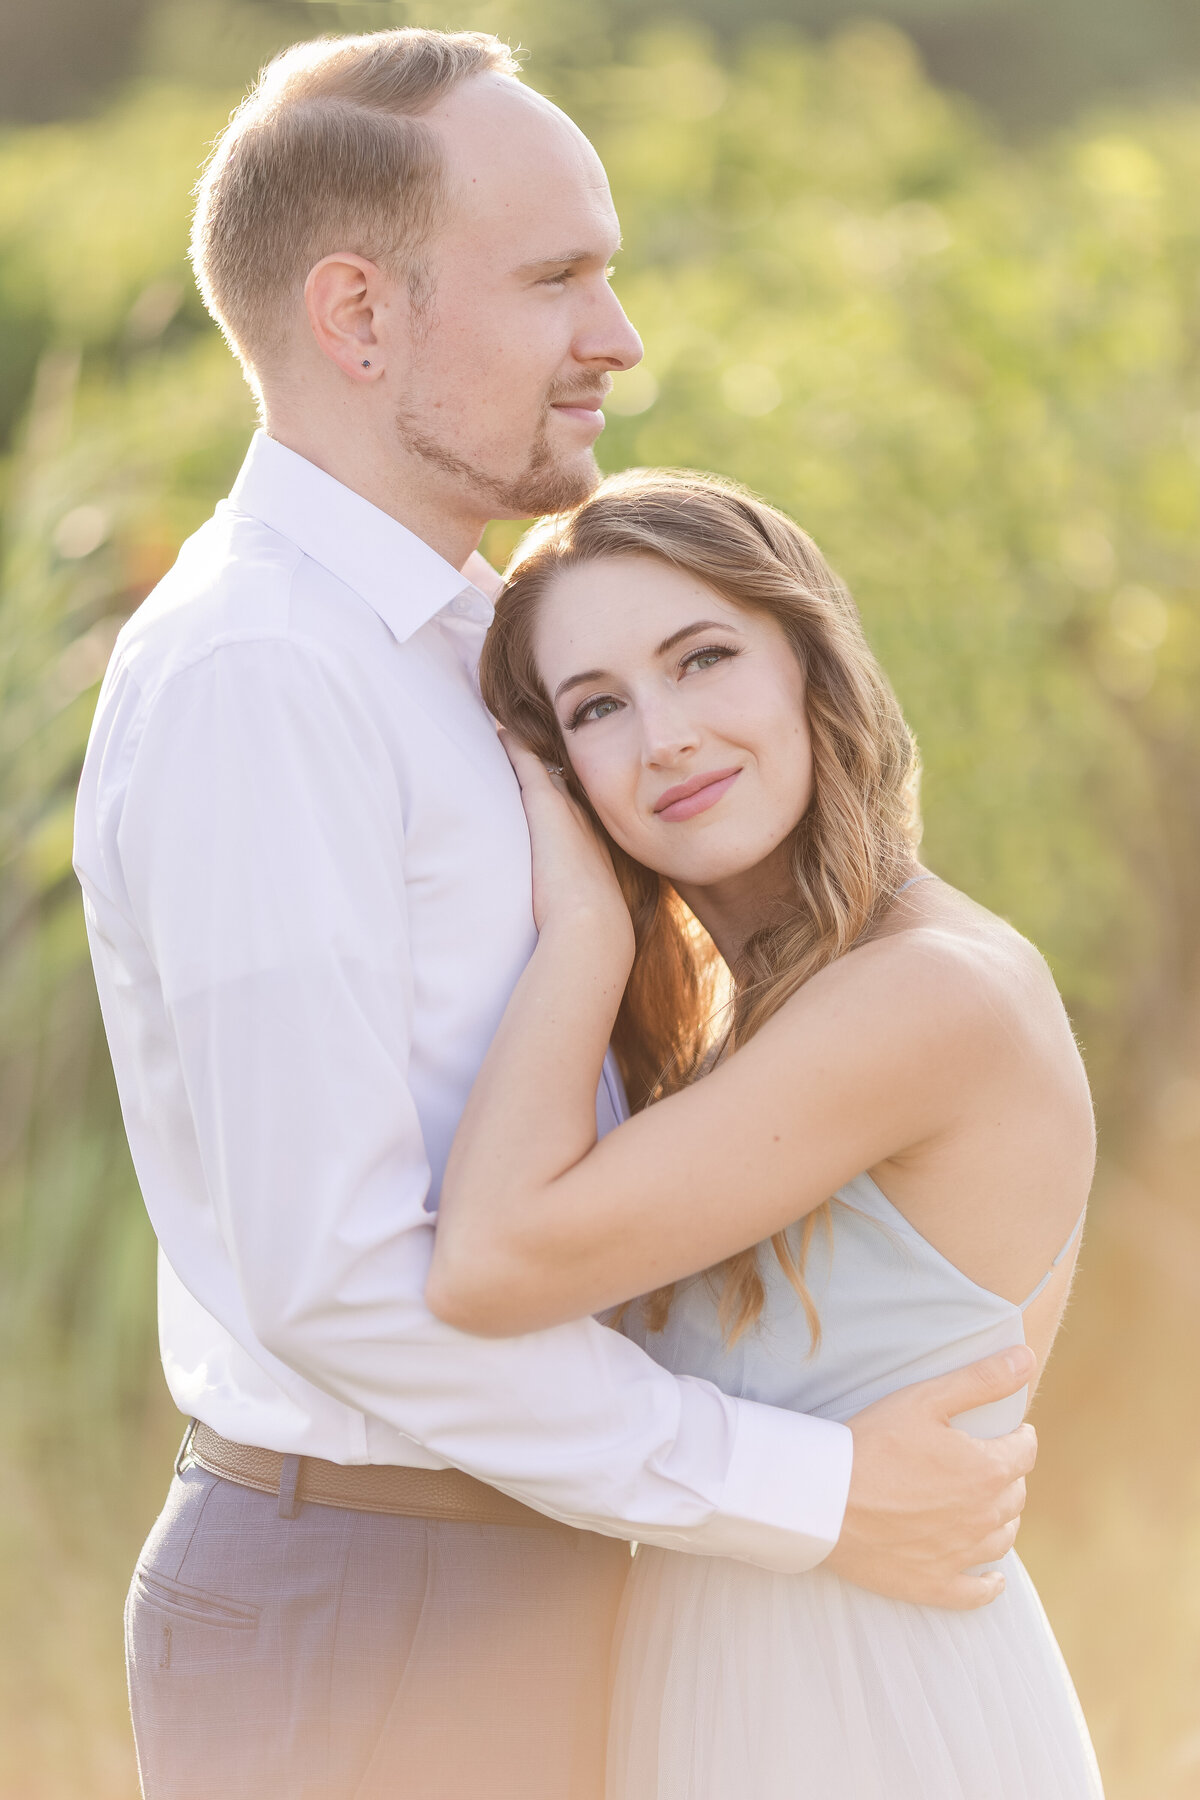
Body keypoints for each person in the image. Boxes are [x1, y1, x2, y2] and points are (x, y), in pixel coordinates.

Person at [74, 28, 1037, 1800]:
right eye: (557, 280)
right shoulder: (261, 675)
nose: (622, 338)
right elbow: (339, 1281)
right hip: (380, 1599)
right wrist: (808, 1495)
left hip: (542, 1566)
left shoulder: (472, 646)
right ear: (359, 317)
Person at [427, 467, 1105, 1799]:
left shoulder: (925, 998)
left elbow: (490, 1260)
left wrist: (584, 924)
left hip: (873, 1712)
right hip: (724, 1692)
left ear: (810, 661)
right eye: (600, 708)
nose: (665, 736)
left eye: (704, 659)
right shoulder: (754, 1016)